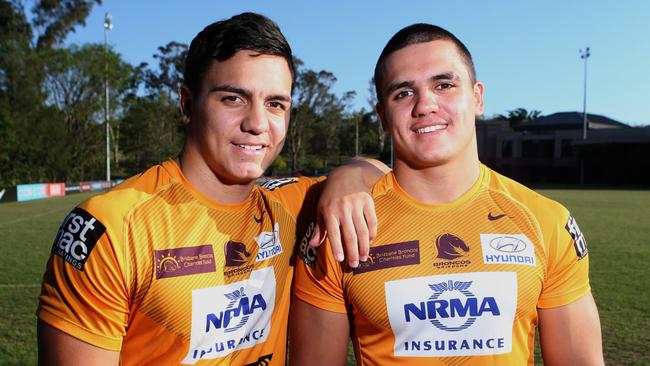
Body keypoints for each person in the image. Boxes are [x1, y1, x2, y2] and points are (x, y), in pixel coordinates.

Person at [37, 12, 386, 366]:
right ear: (187, 104)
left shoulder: (292, 205)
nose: (257, 123)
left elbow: (376, 169)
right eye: (233, 99)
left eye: (275, 104)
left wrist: (349, 179)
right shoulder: (112, 227)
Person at [291, 23, 604, 366]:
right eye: (403, 93)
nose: (425, 104)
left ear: (477, 97)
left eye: (444, 85)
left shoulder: (545, 222)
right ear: (382, 116)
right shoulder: (341, 227)